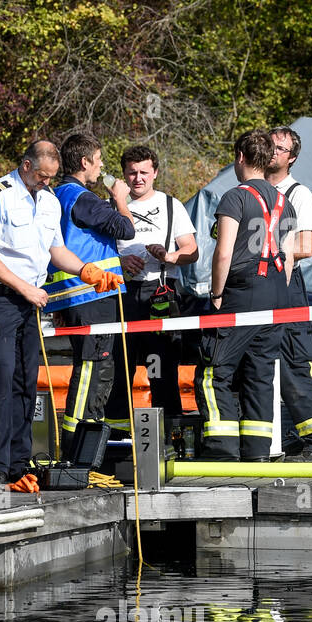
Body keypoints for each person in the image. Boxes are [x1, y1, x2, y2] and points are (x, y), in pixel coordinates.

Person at [0, 140, 123, 490]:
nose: (46, 182)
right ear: (26, 165)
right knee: (3, 378)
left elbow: (56, 251)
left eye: (51, 177)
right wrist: (24, 288)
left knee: (27, 381)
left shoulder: (50, 201)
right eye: (42, 176)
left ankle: (19, 464)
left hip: (30, 302)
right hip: (3, 298)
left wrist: (89, 271)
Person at [198, 129, 296, 461]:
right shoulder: (285, 201)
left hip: (242, 293)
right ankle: (257, 452)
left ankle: (221, 451)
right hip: (276, 294)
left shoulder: (235, 197)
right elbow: (289, 254)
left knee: (215, 370)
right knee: (260, 374)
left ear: (240, 157)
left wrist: (216, 293)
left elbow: (223, 253)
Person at [53, 133, 135, 457]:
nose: (102, 166)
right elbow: (126, 229)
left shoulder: (56, 196)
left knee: (92, 365)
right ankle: (77, 446)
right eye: (99, 159)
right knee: (93, 366)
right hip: (92, 293)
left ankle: (87, 439)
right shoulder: (82, 198)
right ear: (85, 162)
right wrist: (120, 199)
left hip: (76, 296)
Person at [112, 145, 198, 418]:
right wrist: (120, 262)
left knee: (160, 368)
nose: (138, 178)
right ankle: (118, 436)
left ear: (155, 173)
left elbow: (192, 250)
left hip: (160, 293)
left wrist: (170, 256)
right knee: (119, 368)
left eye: (144, 172)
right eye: (132, 173)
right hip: (121, 292)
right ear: (124, 175)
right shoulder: (111, 207)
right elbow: (94, 254)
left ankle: (169, 432)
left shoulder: (171, 205)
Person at [266, 125, 312, 461]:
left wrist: (275, 256)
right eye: (269, 146)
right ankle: (275, 443)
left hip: (286, 286)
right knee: (260, 366)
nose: (272, 152)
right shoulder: (251, 190)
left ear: (291, 158)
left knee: (297, 362)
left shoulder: (298, 193)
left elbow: (306, 245)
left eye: (280, 148)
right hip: (254, 290)